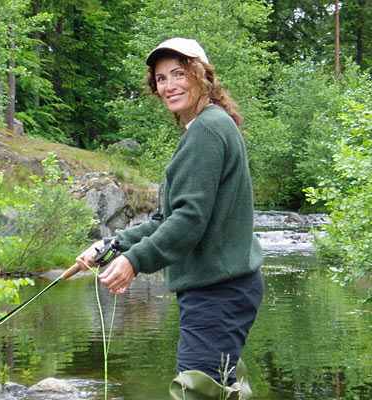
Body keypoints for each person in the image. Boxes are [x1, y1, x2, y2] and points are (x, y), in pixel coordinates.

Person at [76, 38, 264, 400]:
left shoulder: (208, 130)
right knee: (220, 392)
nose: (169, 85)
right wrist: (113, 245)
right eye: (161, 78)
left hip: (217, 294)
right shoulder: (209, 126)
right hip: (224, 290)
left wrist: (135, 261)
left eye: (180, 73)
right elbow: (169, 219)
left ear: (202, 77)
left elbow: (190, 220)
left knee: (197, 392)